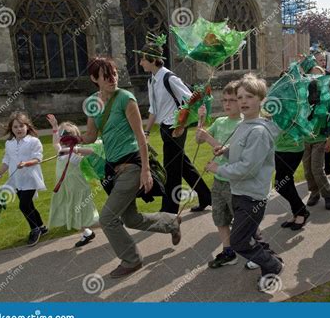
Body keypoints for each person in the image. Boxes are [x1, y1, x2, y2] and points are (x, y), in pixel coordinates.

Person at [81, 57, 181, 278]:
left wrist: (145, 169)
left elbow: (140, 136)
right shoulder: (92, 103)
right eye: (106, 76)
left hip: (132, 166)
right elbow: (90, 135)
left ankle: (132, 260)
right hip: (113, 170)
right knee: (131, 218)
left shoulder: (126, 99)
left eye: (114, 74)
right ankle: (170, 222)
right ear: (94, 79)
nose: (112, 79)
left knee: (107, 218)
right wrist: (73, 138)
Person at [205, 73, 283, 293]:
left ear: (260, 100)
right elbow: (240, 153)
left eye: (249, 96)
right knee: (248, 235)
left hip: (252, 196)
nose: (243, 101)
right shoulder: (244, 125)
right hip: (240, 193)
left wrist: (218, 168)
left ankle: (272, 266)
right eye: (240, 97)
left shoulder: (258, 131)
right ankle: (272, 258)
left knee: (239, 241)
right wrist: (227, 151)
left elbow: (248, 168)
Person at [139, 39, 211, 214]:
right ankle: (206, 196)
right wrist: (146, 131)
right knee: (183, 165)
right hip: (164, 128)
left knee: (171, 170)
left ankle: (169, 212)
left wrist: (181, 124)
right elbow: (153, 109)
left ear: (153, 60)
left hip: (175, 128)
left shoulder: (169, 78)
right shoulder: (152, 81)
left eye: (143, 59)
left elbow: (190, 98)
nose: (140, 63)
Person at [195, 81, 242, 268]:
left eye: (232, 100)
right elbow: (198, 139)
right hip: (218, 181)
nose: (228, 104)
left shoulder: (243, 125)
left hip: (234, 181)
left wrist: (208, 138)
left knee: (241, 219)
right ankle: (228, 251)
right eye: (225, 100)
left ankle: (257, 247)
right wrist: (200, 120)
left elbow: (228, 152)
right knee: (220, 217)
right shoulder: (220, 122)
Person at [0, 112, 47, 246]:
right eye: (15, 127)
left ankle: (34, 230)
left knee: (23, 205)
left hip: (30, 178)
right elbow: (6, 161)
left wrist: (26, 163)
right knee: (29, 205)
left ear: (27, 127)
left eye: (21, 126)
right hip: (16, 180)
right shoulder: (9, 143)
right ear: (11, 129)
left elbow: (38, 158)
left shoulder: (33, 141)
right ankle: (42, 227)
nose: (19, 129)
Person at [46, 115, 98, 247]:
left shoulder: (76, 153)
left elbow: (91, 151)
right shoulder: (60, 151)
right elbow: (55, 143)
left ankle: (112, 222)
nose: (64, 137)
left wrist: (74, 149)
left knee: (86, 214)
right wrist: (54, 128)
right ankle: (87, 233)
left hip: (78, 190)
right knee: (73, 214)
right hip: (67, 189)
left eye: (68, 134)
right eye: (63, 134)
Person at [302, 64, 330, 211]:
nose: (316, 78)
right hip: (306, 138)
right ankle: (314, 193)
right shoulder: (303, 96)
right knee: (307, 171)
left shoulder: (326, 97)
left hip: (320, 138)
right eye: (312, 75)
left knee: (317, 169)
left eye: (319, 75)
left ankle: (328, 195)